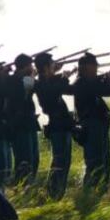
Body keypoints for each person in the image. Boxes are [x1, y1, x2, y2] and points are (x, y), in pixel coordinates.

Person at [70, 52, 110, 190]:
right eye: (94, 66)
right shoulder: (81, 82)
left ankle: (101, 189)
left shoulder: (90, 82)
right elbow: (100, 88)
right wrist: (107, 78)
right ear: (85, 67)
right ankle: (91, 190)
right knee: (95, 162)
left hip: (99, 124)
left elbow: (109, 91)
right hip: (91, 125)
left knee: (104, 159)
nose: (96, 68)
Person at [34, 52, 75, 199]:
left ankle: (57, 193)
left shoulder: (47, 81)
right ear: (45, 66)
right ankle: (54, 193)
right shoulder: (41, 83)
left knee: (63, 161)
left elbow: (57, 86)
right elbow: (53, 91)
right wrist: (64, 76)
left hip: (61, 125)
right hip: (57, 125)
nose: (54, 66)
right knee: (60, 162)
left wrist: (58, 73)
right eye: (51, 64)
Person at [2, 54, 41, 185]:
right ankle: (23, 186)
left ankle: (28, 185)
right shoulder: (14, 80)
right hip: (20, 124)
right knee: (25, 160)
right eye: (30, 65)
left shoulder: (22, 79)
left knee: (34, 159)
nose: (32, 67)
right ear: (25, 66)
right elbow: (29, 86)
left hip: (28, 123)